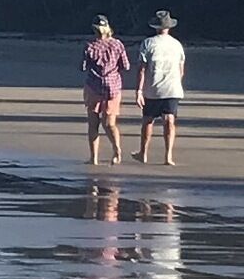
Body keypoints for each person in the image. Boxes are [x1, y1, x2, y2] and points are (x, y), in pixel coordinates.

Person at [134, 9, 187, 166]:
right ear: (169, 27)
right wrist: (176, 82)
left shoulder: (148, 43)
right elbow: (181, 69)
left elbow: (141, 69)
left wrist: (139, 91)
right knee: (169, 120)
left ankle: (143, 153)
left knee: (148, 120)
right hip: (172, 88)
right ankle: (168, 156)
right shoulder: (177, 45)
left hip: (153, 89)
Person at [79, 15, 134, 166]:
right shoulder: (117, 44)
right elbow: (126, 66)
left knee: (93, 123)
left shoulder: (89, 46)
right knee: (110, 123)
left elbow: (83, 67)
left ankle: (94, 158)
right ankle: (116, 150)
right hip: (113, 87)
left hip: (93, 86)